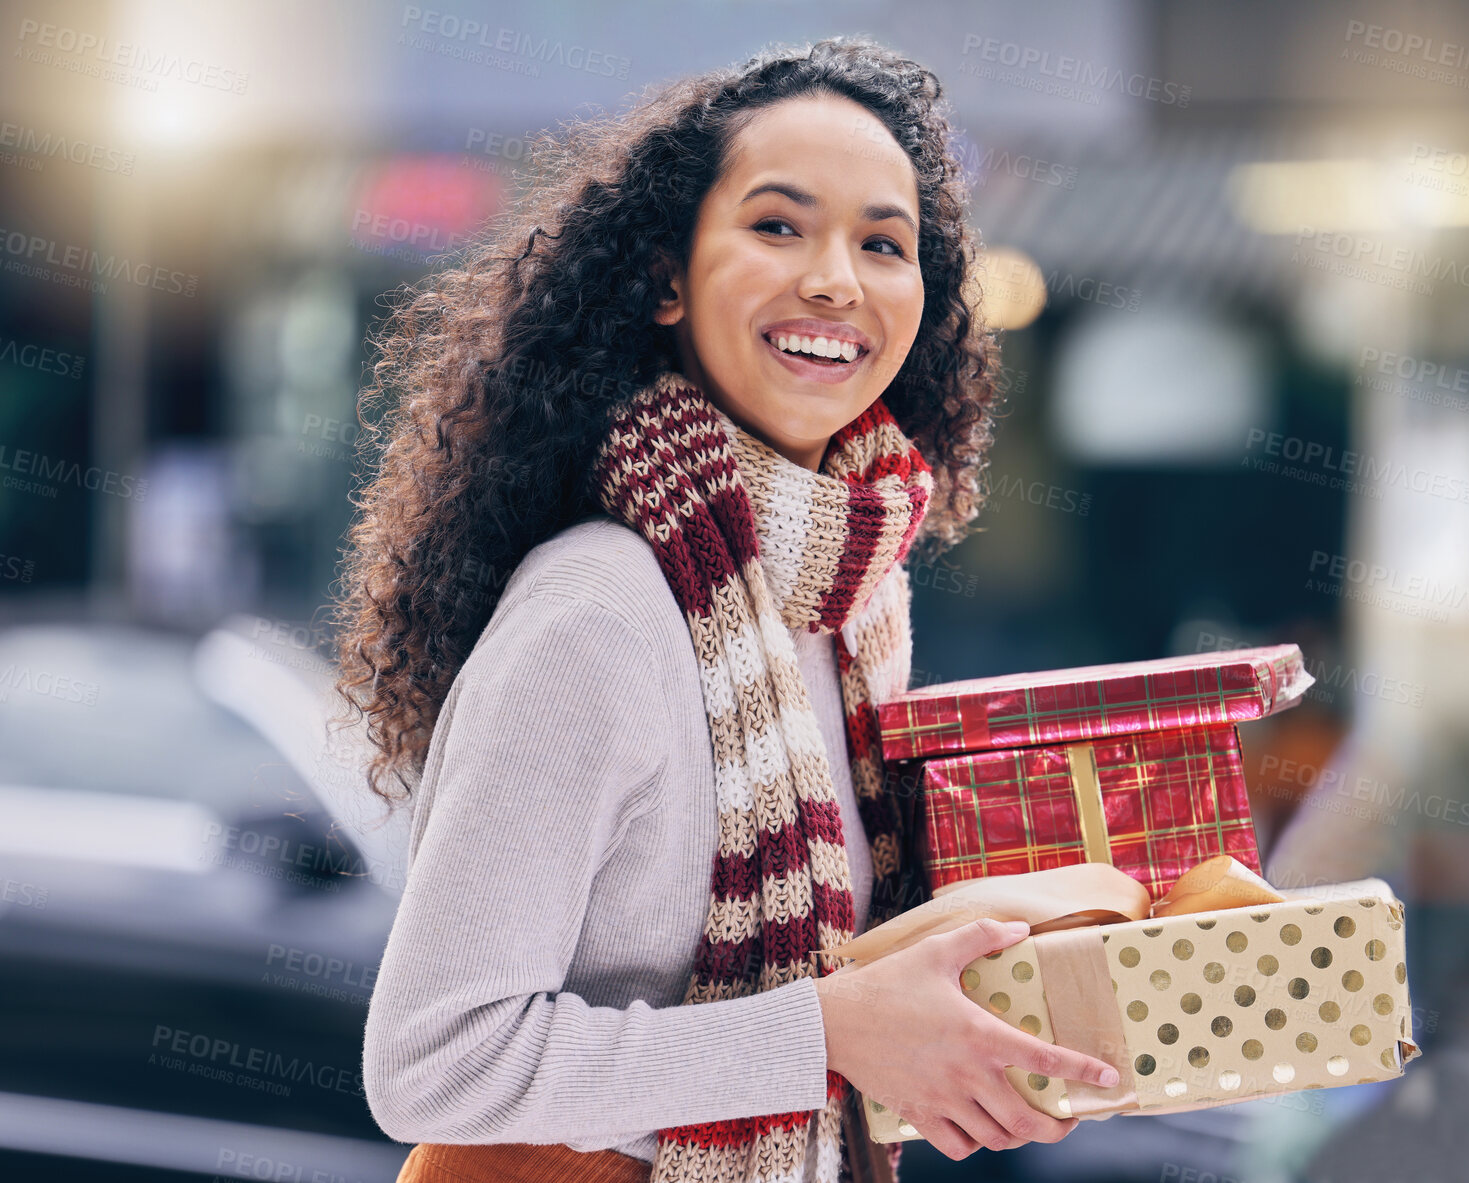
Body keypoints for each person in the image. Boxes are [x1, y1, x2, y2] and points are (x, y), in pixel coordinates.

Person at [329, 36, 1120, 1183]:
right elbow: (432, 1060)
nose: (836, 279)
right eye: (777, 226)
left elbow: (836, 992)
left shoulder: (856, 604)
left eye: (882, 244)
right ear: (665, 276)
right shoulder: (598, 614)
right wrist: (828, 1034)